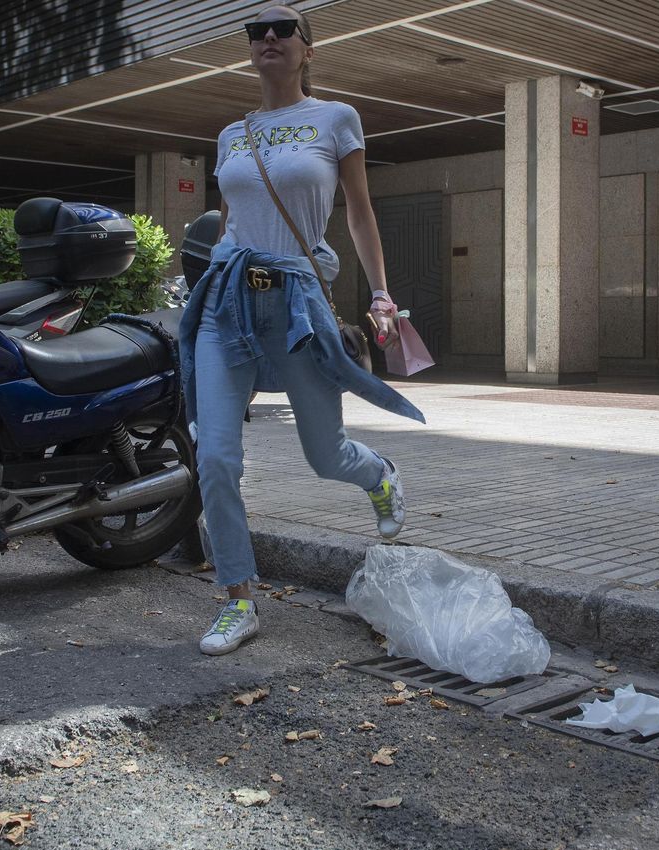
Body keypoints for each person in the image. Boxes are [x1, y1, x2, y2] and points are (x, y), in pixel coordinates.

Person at [177, 4, 426, 656]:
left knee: (325, 453)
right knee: (215, 457)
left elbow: (360, 215)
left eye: (282, 29)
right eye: (255, 31)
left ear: (308, 50)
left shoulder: (336, 119)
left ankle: (378, 476)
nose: (267, 38)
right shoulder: (233, 135)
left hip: (294, 306)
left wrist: (379, 292)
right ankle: (237, 598)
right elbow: (229, 222)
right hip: (230, 302)